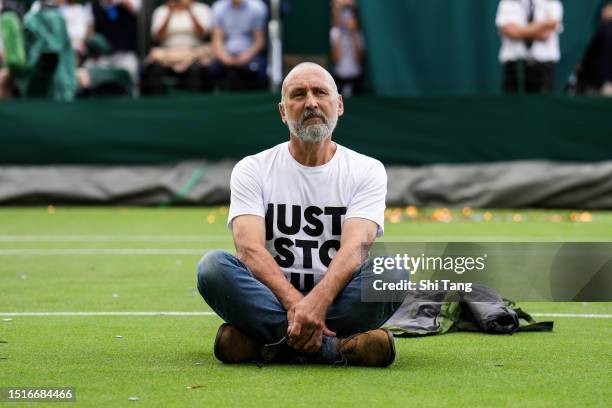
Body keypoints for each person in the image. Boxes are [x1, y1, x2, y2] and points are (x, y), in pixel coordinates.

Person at [196, 62, 402, 367]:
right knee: (212, 268)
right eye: (298, 94)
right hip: (272, 299)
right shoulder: (253, 168)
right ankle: (335, 348)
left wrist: (316, 304)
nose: (311, 102)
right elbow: (249, 250)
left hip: (337, 299)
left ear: (339, 105)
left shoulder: (366, 169)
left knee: (393, 272)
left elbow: (356, 247)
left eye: (320, 92)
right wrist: (296, 304)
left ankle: (269, 344)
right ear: (282, 111)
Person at [142, 0, 212, 94]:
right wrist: (169, 13)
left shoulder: (201, 9)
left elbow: (203, 34)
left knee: (197, 70)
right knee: (154, 68)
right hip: (167, 53)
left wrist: (190, 11)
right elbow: (158, 37)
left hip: (193, 52)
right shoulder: (161, 11)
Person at [496, 0, 563, 93]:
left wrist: (520, 30)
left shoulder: (552, 3)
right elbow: (511, 32)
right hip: (514, 67)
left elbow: (545, 34)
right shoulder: (507, 3)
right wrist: (544, 24)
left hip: (544, 67)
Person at [208, 0, 267, 90]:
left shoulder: (257, 7)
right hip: (225, 54)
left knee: (257, 70)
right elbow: (217, 39)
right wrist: (224, 57)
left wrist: (245, 57)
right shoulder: (218, 7)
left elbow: (259, 41)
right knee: (211, 69)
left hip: (250, 55)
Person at [330, 3, 365, 97]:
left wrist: (352, 33)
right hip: (339, 77)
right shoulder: (335, 33)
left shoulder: (359, 35)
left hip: (355, 77)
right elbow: (335, 58)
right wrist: (342, 33)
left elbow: (360, 59)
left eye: (349, 18)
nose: (346, 21)